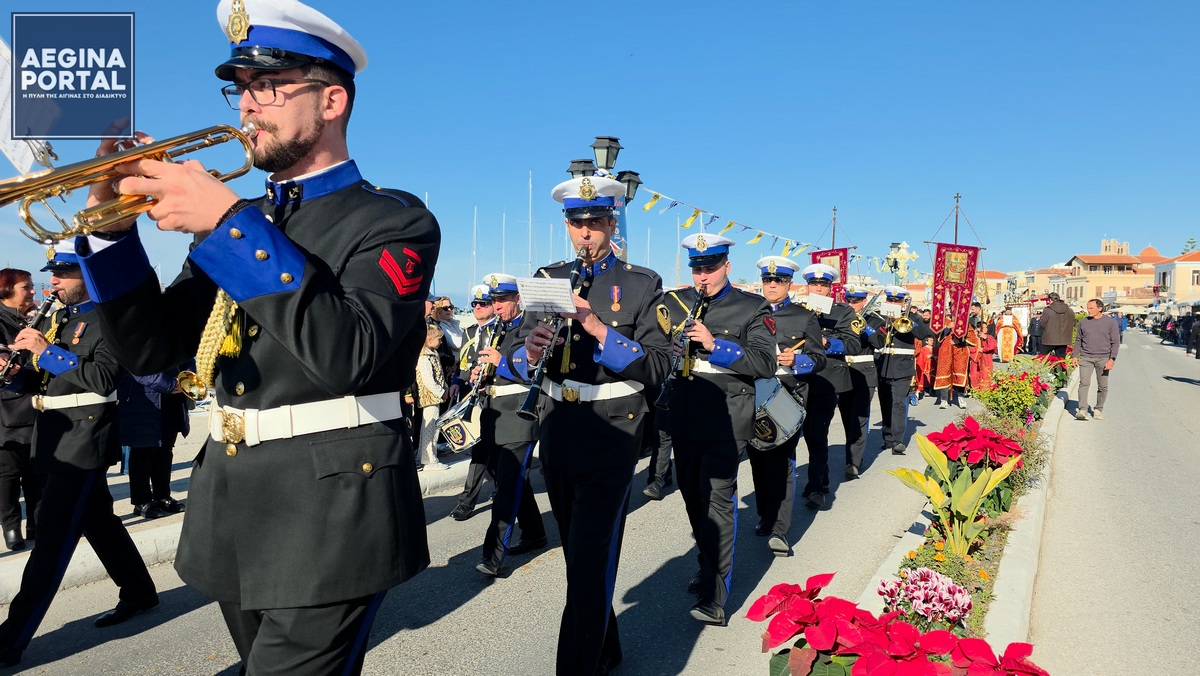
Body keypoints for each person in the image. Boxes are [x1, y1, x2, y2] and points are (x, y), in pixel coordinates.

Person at [74, 1, 439, 671]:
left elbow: (348, 355)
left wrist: (227, 224)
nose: (246, 104)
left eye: (268, 86)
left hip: (336, 510)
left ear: (331, 101)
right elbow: (154, 351)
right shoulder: (243, 221)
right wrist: (111, 234)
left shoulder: (393, 220)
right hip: (235, 500)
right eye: (240, 87)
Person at [523, 175, 669, 673]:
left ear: (611, 223)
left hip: (613, 430)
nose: (584, 233)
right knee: (579, 554)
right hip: (558, 426)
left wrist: (594, 325)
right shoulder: (548, 277)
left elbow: (656, 366)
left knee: (588, 561)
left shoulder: (641, 283)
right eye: (575, 223)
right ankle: (606, 648)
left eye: (595, 223)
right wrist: (530, 351)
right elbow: (517, 350)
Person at [0, 243, 159, 667]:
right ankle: (140, 592)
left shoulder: (108, 319)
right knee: (99, 522)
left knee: (51, 539)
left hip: (86, 438)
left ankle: (11, 639)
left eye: (63, 273)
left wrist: (44, 350)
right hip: (54, 436)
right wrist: (15, 372)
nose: (52, 282)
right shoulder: (60, 319)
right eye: (52, 273)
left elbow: (102, 378)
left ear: (87, 276)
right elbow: (46, 380)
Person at [654, 233, 774, 627]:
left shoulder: (752, 307)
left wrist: (713, 343)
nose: (702, 276)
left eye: (710, 268)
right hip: (684, 416)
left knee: (717, 503)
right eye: (697, 268)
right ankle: (708, 564)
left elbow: (765, 363)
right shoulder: (678, 302)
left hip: (726, 420)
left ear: (726, 266)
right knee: (693, 498)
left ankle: (715, 597)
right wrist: (670, 350)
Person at [471, 273, 547, 577]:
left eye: (502, 300)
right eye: (494, 301)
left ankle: (493, 555)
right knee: (512, 481)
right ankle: (534, 533)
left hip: (519, 413)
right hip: (494, 414)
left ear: (518, 298)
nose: (497, 306)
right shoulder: (497, 329)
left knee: (507, 486)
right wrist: (480, 374)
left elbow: (532, 368)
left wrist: (499, 361)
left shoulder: (531, 325)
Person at [754, 256, 825, 554]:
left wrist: (797, 359)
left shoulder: (804, 317)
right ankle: (766, 515)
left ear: (789, 284)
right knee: (758, 459)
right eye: (767, 280)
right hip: (753, 392)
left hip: (788, 394)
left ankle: (780, 530)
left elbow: (819, 359)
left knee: (782, 461)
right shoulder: (749, 311)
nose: (772, 285)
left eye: (779, 280)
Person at [799, 264, 860, 508]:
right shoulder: (797, 309)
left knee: (817, 433)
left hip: (827, 380)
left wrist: (826, 342)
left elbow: (853, 344)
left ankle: (816, 487)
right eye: (814, 285)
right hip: (799, 378)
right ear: (808, 287)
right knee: (805, 434)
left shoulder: (842, 312)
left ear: (830, 288)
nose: (818, 289)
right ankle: (820, 478)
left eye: (823, 285)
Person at [0, 269, 44, 551]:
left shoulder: (35, 317)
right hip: (8, 408)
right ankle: (11, 527)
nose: (32, 291)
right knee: (8, 473)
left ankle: (37, 524)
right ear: (6, 290)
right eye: (26, 287)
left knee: (36, 471)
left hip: (36, 403)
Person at [450, 284, 499, 520]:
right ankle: (467, 502)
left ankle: (498, 489)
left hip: (494, 395)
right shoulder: (469, 332)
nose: (478, 307)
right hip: (472, 396)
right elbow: (463, 362)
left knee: (493, 448)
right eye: (475, 304)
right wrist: (456, 381)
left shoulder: (500, 330)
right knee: (479, 448)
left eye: (484, 303)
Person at [116, 366, 189, 518]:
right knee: (142, 451)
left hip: (172, 397)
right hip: (142, 398)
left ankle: (162, 497)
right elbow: (136, 366)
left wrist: (187, 379)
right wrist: (169, 384)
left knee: (165, 450)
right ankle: (141, 501)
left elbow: (186, 358)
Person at [875, 287, 933, 455]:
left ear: (903, 303)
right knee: (885, 403)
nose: (893, 304)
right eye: (890, 301)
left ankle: (898, 441)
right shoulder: (879, 316)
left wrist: (905, 318)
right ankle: (888, 437)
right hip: (882, 365)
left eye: (897, 301)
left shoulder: (911, 317)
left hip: (902, 367)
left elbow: (924, 333)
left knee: (899, 403)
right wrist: (884, 324)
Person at [836, 286, 881, 477]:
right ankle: (852, 453)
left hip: (864, 374)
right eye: (849, 301)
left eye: (855, 301)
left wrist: (865, 328)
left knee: (859, 418)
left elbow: (880, 343)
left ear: (864, 301)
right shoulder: (840, 317)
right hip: (844, 372)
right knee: (847, 418)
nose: (851, 304)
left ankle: (853, 462)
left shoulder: (875, 320)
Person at [1074, 299, 1119, 421]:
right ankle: (1082, 410)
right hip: (1086, 357)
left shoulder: (1110, 323)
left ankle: (1098, 409)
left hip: (1103, 358)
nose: (1088, 310)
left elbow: (1115, 342)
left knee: (1102, 386)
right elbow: (1078, 339)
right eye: (1088, 308)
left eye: (1091, 308)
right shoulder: (1083, 322)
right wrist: (1074, 355)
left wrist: (1112, 359)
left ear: (1100, 308)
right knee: (1084, 383)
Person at [415, 323, 450, 471]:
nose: (440, 342)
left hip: (436, 397)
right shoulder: (424, 358)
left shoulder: (432, 354)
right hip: (430, 398)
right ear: (429, 339)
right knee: (431, 429)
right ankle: (429, 459)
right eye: (438, 339)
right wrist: (440, 391)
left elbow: (439, 375)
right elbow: (428, 380)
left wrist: (445, 387)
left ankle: (423, 456)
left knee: (430, 427)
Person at [1039, 293, 1074, 358]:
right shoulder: (1070, 310)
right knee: (1061, 359)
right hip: (1064, 339)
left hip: (1049, 339)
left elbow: (1042, 324)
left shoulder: (1047, 310)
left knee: (1042, 358)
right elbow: (1073, 323)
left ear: (1050, 300)